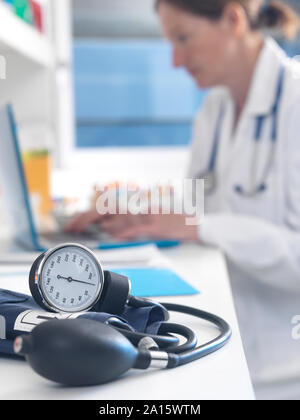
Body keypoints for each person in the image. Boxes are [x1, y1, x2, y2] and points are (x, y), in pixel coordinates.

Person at [65, 0, 300, 399]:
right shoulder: (215, 108)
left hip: (284, 365)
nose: (175, 60)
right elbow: (204, 199)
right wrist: (131, 205)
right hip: (225, 331)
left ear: (232, 19)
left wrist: (194, 225)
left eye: (183, 39)